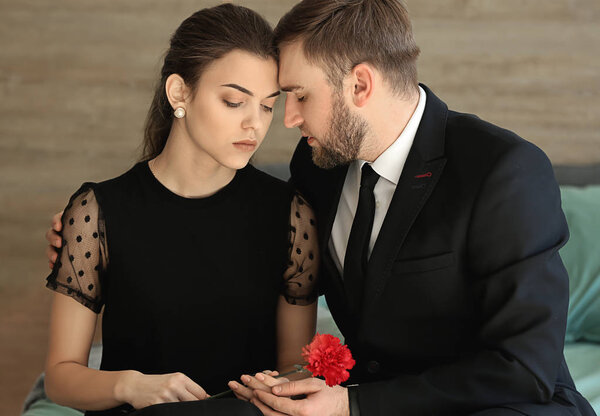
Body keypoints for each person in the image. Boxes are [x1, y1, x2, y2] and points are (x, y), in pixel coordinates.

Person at [240, 0, 595, 415]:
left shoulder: (503, 169)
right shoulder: (318, 164)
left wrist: (353, 405)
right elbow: (290, 281)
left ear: (360, 85)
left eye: (300, 95)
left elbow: (523, 369)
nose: (289, 118)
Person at [42, 4, 319, 416]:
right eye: (233, 102)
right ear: (179, 93)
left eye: (266, 106)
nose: (255, 125)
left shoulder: (292, 216)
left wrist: (276, 388)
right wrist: (130, 385)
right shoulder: (97, 211)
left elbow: (294, 369)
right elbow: (60, 378)